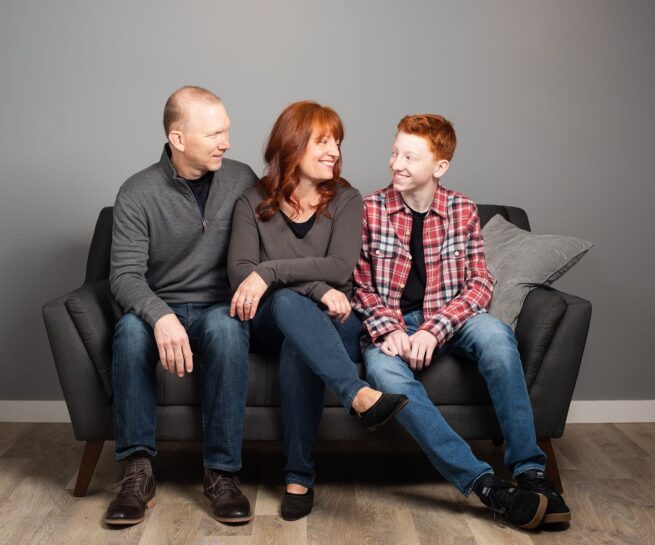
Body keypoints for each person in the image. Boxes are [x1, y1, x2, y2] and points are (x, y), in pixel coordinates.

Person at [352, 114, 571, 530]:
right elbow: (359, 285)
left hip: (451, 319)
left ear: (439, 167)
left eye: (409, 157)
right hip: (392, 326)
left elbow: (479, 284)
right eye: (394, 152)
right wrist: (390, 329)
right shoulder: (370, 209)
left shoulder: (463, 209)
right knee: (386, 377)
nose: (396, 163)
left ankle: (531, 473)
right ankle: (487, 486)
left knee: (498, 337)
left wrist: (435, 329)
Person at [227, 101, 409, 521]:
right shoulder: (251, 200)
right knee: (291, 302)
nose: (334, 151)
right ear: (292, 145)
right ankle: (358, 395)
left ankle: (298, 478)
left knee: (301, 345)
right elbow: (240, 273)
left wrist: (269, 270)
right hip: (269, 319)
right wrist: (310, 287)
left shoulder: (345, 199)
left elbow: (340, 268)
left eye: (338, 143)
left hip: (334, 322)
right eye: (323, 141)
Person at [106, 86, 258, 526]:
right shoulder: (137, 191)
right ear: (177, 139)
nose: (225, 143)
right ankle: (137, 473)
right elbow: (125, 276)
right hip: (161, 305)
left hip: (218, 307)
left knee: (228, 331)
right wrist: (160, 316)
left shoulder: (243, 178)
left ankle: (222, 474)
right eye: (214, 134)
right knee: (130, 332)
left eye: (226, 131)